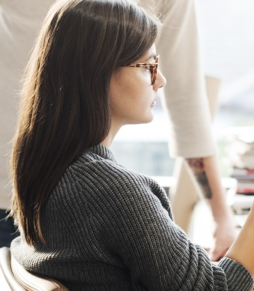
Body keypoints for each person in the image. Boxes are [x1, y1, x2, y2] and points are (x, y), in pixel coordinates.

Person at [9, 0, 254, 289]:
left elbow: (152, 270)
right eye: (147, 67)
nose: (160, 80)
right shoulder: (113, 193)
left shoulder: (48, 170)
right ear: (100, 73)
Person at [0, 0, 235, 260]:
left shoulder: (109, 189)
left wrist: (220, 218)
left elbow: (187, 103)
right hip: (19, 191)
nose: (159, 80)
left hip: (50, 190)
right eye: (147, 67)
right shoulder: (120, 195)